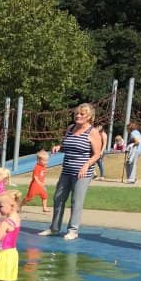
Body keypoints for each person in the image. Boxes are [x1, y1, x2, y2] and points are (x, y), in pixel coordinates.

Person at [39, 103, 102, 241]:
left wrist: (86, 165)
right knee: (58, 198)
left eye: (82, 114)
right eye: (76, 114)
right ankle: (54, 228)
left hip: (82, 172)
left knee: (76, 201)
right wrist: (59, 147)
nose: (78, 116)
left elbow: (97, 154)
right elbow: (68, 146)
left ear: (89, 117)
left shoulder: (93, 132)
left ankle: (73, 230)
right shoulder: (71, 128)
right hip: (67, 170)